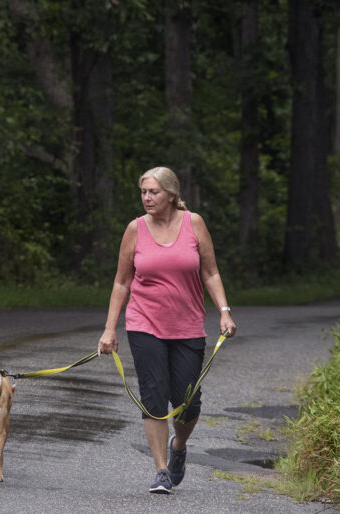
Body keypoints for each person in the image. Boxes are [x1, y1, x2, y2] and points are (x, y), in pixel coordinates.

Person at [97, 166, 237, 494]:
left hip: (188, 326)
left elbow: (211, 273)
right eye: (144, 192)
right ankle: (161, 470)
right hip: (144, 324)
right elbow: (121, 281)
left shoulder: (194, 224)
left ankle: (178, 448)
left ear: (171, 195)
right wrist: (109, 329)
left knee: (188, 403)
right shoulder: (135, 229)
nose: (147, 198)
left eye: (153, 192)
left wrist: (224, 312)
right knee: (154, 397)